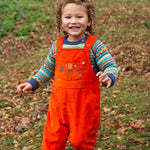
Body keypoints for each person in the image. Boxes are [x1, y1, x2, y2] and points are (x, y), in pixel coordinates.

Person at [17, 0, 118, 149]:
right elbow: (47, 69)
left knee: (80, 141)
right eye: (68, 17)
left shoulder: (94, 45)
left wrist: (108, 75)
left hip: (84, 108)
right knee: (52, 140)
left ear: (89, 21)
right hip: (58, 106)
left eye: (79, 17)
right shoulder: (57, 46)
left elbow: (110, 65)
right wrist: (32, 83)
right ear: (61, 22)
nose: (74, 21)